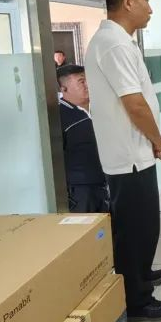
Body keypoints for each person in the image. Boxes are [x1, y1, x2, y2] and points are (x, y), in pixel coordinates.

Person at [84, 0, 161, 321]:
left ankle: (142, 273)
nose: (150, 9)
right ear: (128, 2)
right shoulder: (115, 44)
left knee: (144, 224)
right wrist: (158, 141)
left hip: (133, 153)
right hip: (129, 156)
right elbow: (134, 104)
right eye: (146, 0)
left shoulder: (118, 41)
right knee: (135, 228)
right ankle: (136, 300)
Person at [57, 64, 109, 213]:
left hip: (103, 184)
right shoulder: (59, 116)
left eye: (88, 80)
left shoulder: (98, 110)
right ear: (64, 88)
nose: (87, 85)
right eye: (81, 81)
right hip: (79, 191)